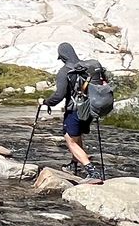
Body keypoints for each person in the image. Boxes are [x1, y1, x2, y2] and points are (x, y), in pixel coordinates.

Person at [44, 42, 114, 182]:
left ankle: (92, 171)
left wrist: (46, 102)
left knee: (71, 140)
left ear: (62, 56)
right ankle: (73, 165)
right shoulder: (87, 68)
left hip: (74, 111)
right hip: (88, 110)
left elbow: (59, 95)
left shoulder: (65, 72)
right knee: (76, 137)